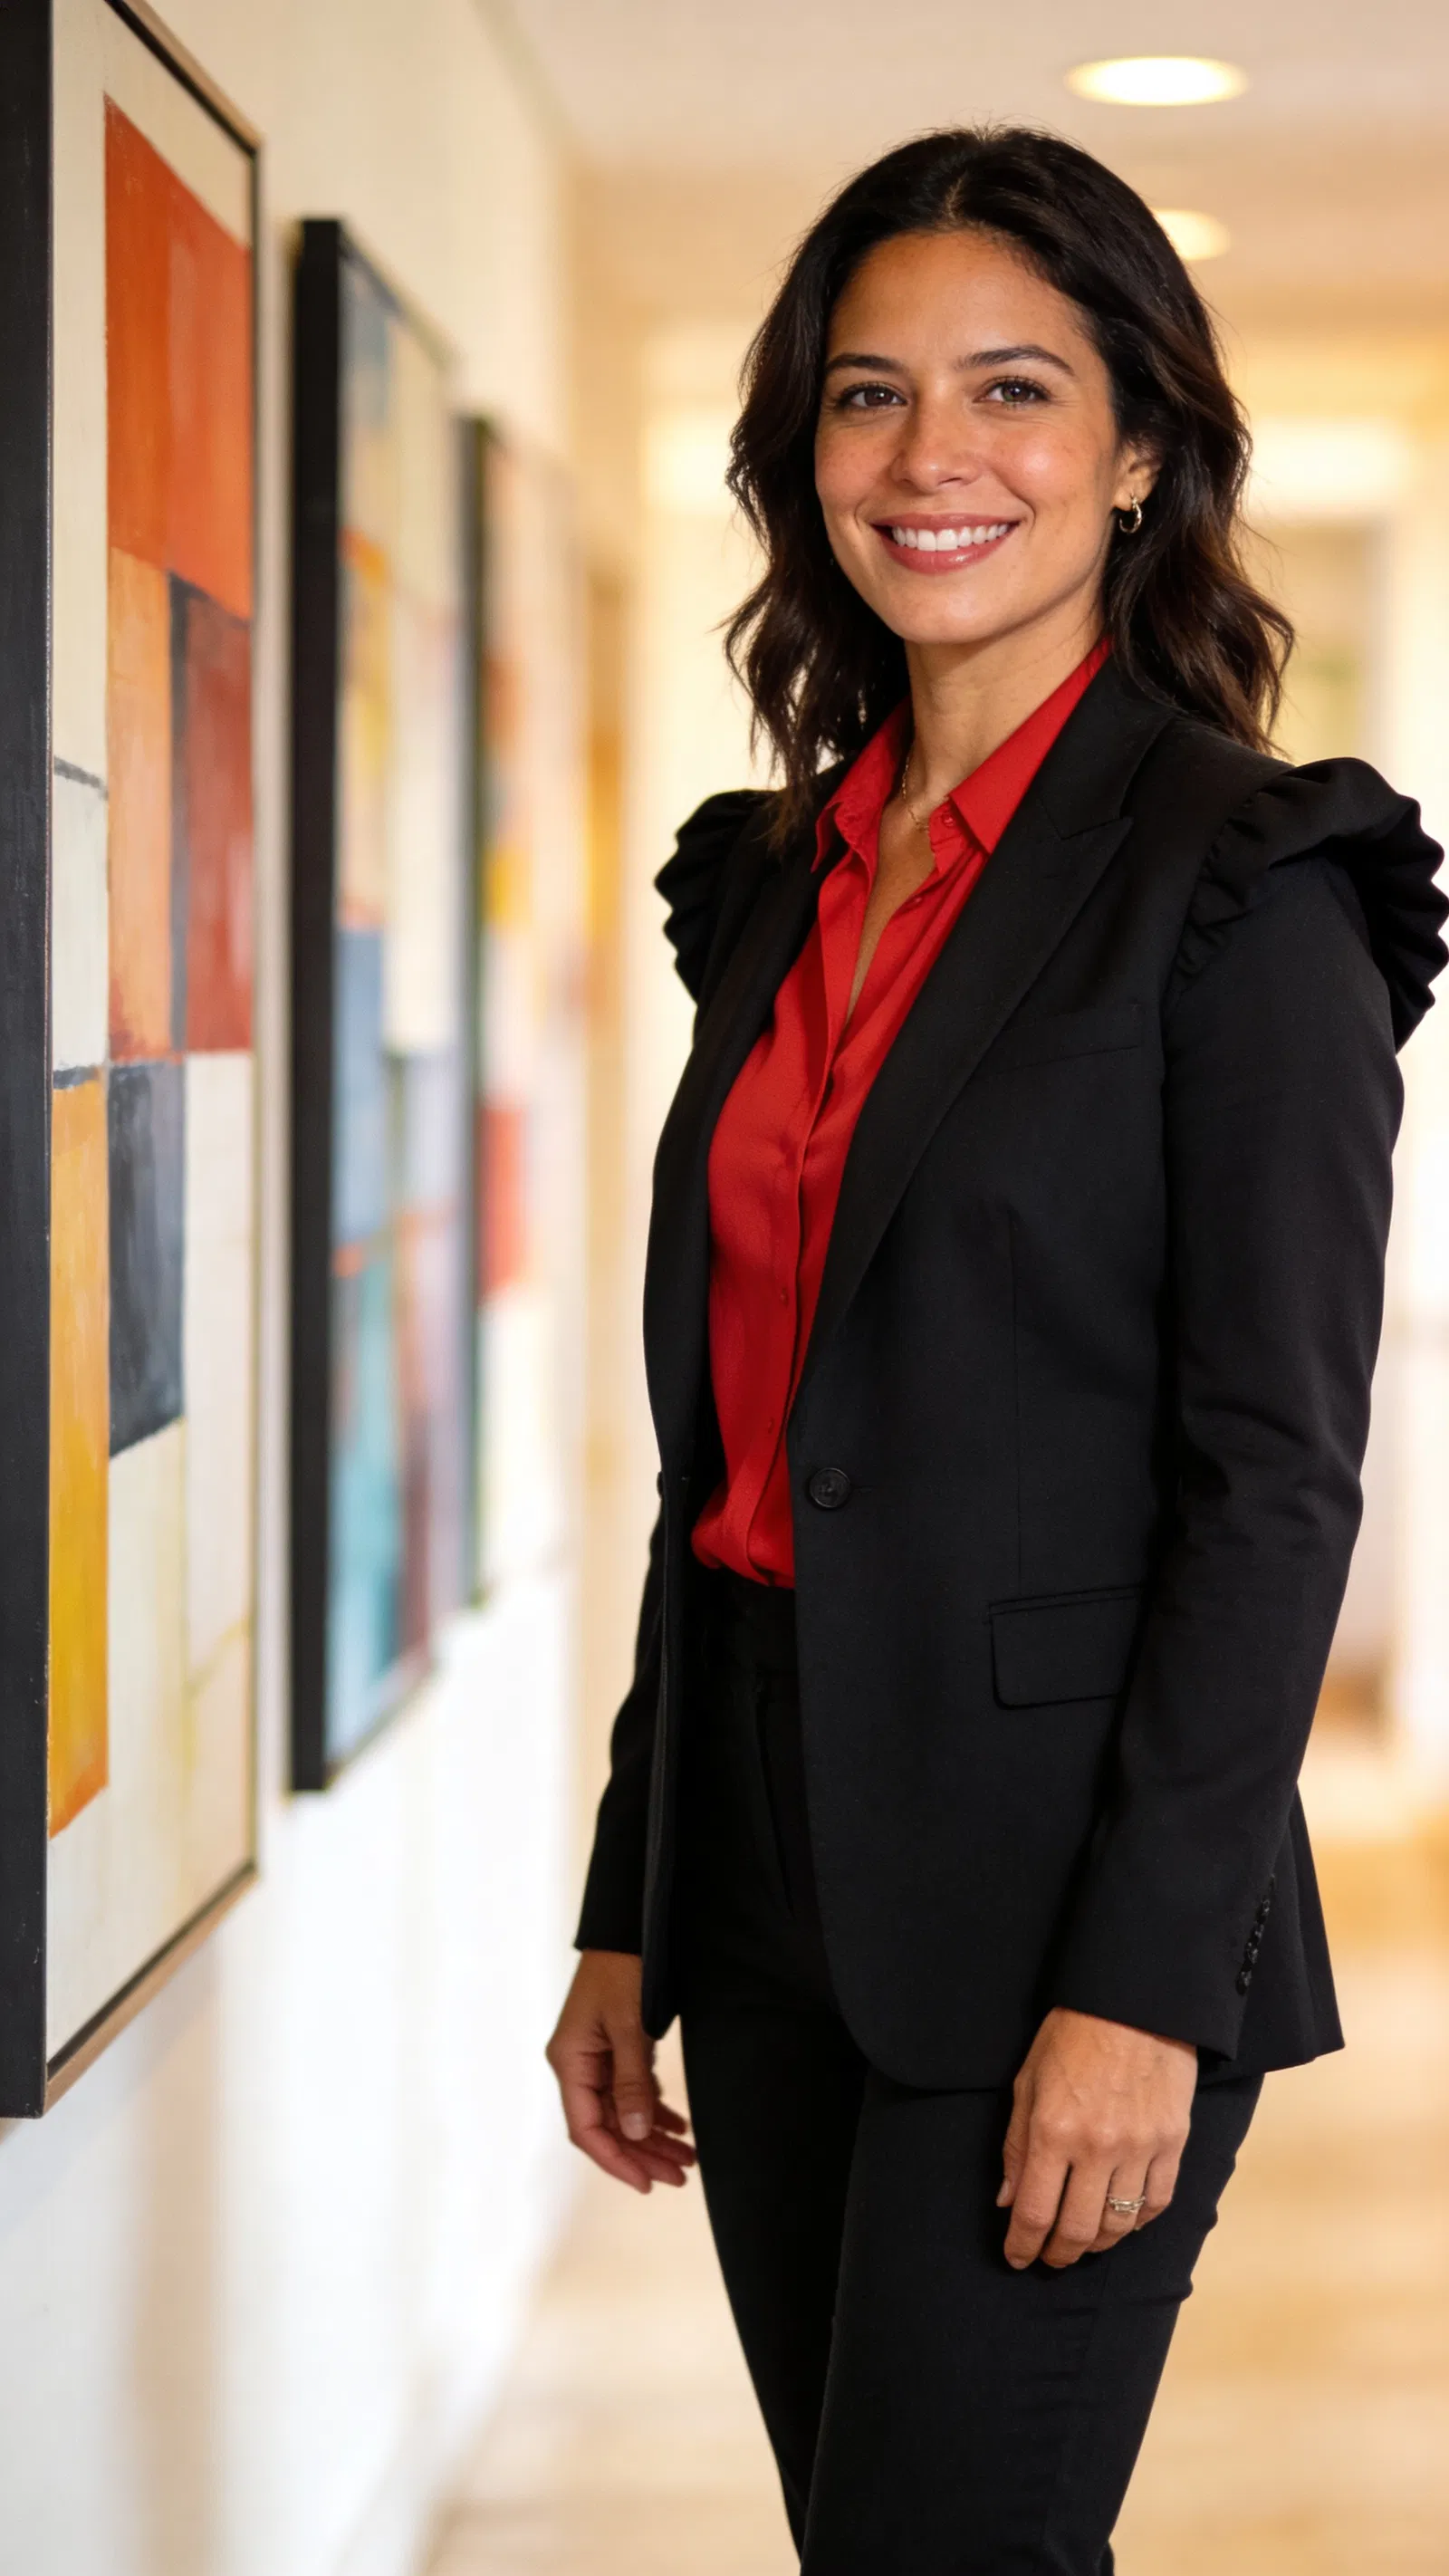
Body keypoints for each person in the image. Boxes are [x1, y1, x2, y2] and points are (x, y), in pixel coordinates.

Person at [546, 126, 1446, 2572]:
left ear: (1142, 447)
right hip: (763, 1848)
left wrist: (1148, 1988)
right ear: (800, 456)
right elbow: (729, 1448)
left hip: (1064, 1893)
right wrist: (633, 1893)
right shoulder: (775, 881)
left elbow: (1275, 1481)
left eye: (1014, 390)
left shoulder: (1249, 883)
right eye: (867, 396)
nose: (933, 457)